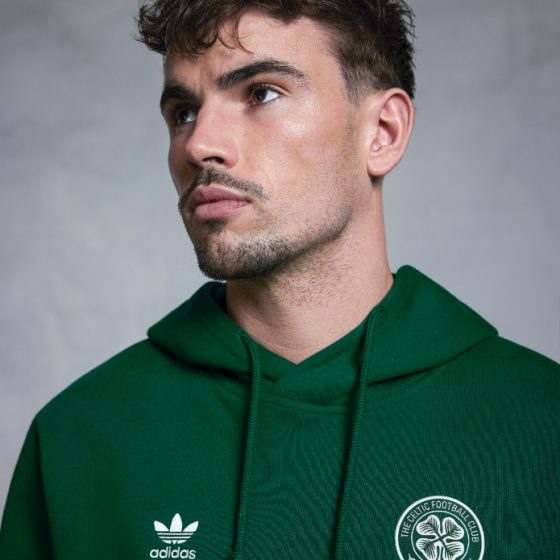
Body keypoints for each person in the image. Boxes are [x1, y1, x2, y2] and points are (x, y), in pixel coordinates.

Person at [1, 0, 558, 558]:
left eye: (261, 94)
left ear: (382, 132)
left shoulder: (541, 421)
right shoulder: (80, 437)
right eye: (184, 112)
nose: (199, 145)